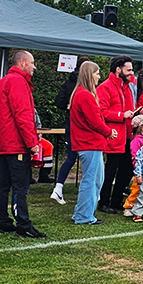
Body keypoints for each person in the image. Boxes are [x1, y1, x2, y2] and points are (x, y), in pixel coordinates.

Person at [0, 50, 44, 238]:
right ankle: (23, 224)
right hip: (15, 143)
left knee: (2, 183)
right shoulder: (18, 82)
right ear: (22, 62)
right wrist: (32, 142)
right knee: (20, 185)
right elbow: (23, 115)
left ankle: (3, 221)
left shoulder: (2, 82)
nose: (34, 67)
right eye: (32, 63)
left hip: (2, 143)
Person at [70, 61, 118, 226]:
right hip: (89, 143)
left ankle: (83, 213)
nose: (99, 76)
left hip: (90, 143)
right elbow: (94, 121)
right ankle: (84, 215)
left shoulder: (81, 94)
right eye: (97, 73)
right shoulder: (85, 95)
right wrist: (108, 132)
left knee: (94, 180)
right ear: (89, 75)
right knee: (91, 181)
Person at [96, 56, 135, 215]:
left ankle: (116, 199)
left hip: (126, 135)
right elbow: (101, 112)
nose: (131, 73)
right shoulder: (105, 87)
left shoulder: (126, 87)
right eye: (128, 70)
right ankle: (104, 201)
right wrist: (121, 115)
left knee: (127, 167)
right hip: (114, 135)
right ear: (118, 69)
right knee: (110, 170)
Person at [50, 65, 83, 204]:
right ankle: (91, 192)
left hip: (70, 123)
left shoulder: (69, 83)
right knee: (88, 159)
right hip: (82, 126)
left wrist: (68, 108)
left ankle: (58, 187)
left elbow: (58, 101)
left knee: (71, 157)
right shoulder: (84, 86)